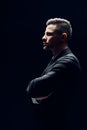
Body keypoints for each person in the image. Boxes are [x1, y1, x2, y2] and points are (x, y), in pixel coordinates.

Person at [26, 18, 81, 130]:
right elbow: (36, 91)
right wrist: (39, 97)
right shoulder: (57, 59)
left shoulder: (68, 62)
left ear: (63, 37)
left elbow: (33, 87)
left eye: (49, 34)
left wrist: (38, 96)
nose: (43, 37)